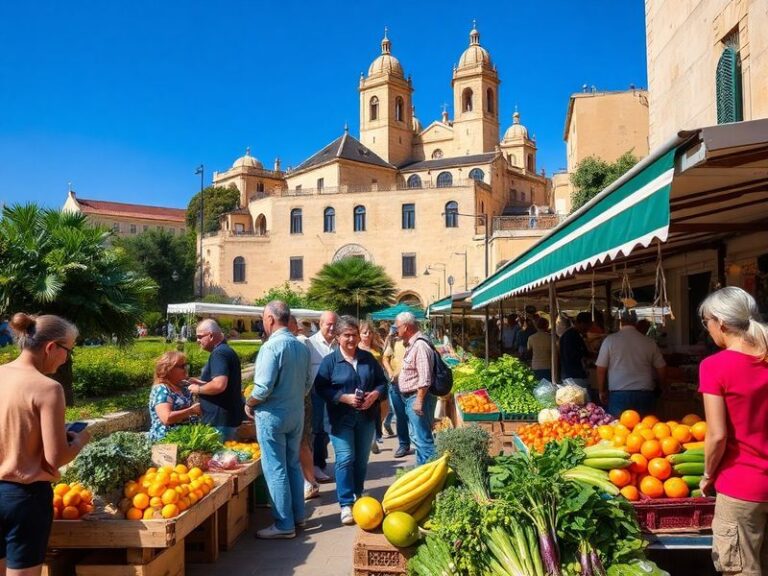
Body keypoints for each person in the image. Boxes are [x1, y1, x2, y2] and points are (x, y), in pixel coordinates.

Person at [0, 313, 90, 575]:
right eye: (67, 351)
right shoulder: (48, 388)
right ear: (51, 347)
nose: (66, 359)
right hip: (24, 498)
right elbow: (56, 457)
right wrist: (80, 440)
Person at [697, 287, 768, 576]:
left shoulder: (715, 366)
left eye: (706, 323)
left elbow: (717, 435)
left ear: (721, 323)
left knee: (742, 570)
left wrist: (707, 475)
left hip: (742, 488)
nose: (708, 330)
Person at [245, 301, 311, 539]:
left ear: (271, 319)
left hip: (272, 415)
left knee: (275, 468)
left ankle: (284, 524)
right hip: (295, 413)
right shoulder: (301, 346)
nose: (263, 322)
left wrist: (249, 403)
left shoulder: (271, 347)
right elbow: (307, 384)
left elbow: (262, 388)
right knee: (292, 465)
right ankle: (298, 516)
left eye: (263, 318)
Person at [314, 316, 387, 525]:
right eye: (347, 335)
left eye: (354, 335)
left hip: (365, 418)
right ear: (337, 337)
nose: (352, 339)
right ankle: (346, 504)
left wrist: (375, 395)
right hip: (340, 419)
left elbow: (383, 383)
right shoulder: (330, 362)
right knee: (345, 458)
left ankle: (357, 494)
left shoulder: (368, 359)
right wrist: (342, 397)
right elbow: (321, 388)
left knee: (361, 460)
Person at [596, 309, 666, 417]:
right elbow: (661, 368)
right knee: (645, 429)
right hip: (644, 393)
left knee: (618, 430)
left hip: (618, 393)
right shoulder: (649, 342)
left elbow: (601, 369)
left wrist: (601, 391)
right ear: (636, 322)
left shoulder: (610, 340)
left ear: (621, 321)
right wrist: (661, 387)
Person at [186, 319, 243, 441]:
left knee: (220, 458)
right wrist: (202, 383)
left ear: (211, 336)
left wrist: (198, 389)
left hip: (219, 421)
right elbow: (223, 383)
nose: (197, 341)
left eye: (200, 337)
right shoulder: (225, 350)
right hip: (226, 418)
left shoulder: (219, 353)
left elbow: (219, 385)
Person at [394, 311, 436, 465]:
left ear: (406, 327)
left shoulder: (420, 345)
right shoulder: (413, 344)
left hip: (417, 398)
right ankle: (423, 471)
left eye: (397, 327)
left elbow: (425, 378)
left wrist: (418, 400)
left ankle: (432, 476)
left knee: (423, 440)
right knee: (418, 439)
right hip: (411, 398)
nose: (396, 330)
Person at [287, 315, 320, 500]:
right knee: (303, 442)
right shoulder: (302, 343)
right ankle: (309, 482)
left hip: (299, 398)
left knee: (301, 443)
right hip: (303, 396)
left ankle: (309, 482)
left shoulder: (299, 342)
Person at [305, 311, 338, 483]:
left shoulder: (337, 344)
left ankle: (321, 462)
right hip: (316, 393)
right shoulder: (310, 344)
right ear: (320, 323)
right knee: (317, 429)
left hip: (333, 393)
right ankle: (316, 465)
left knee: (327, 429)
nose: (332, 327)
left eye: (334, 324)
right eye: (328, 324)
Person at [148, 351, 201, 442]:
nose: (186, 369)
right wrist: (191, 410)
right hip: (167, 442)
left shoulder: (183, 386)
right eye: (182, 366)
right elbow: (166, 418)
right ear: (168, 369)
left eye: (186, 365)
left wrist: (200, 385)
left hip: (187, 439)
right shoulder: (161, 389)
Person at [382, 327, 412, 457]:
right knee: (400, 416)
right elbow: (385, 359)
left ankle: (419, 444)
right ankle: (404, 445)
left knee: (414, 416)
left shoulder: (415, 342)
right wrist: (390, 372)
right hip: (396, 384)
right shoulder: (394, 342)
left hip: (412, 385)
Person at [359, 320, 385, 454]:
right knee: (365, 413)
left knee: (378, 412)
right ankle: (370, 440)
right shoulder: (356, 348)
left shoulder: (376, 348)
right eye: (364, 333)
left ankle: (373, 437)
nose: (367, 335)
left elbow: (381, 364)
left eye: (369, 332)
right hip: (362, 385)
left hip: (377, 384)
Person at [559, 312, 593, 392]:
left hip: (576, 375)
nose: (588, 329)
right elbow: (572, 356)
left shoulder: (576, 335)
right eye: (588, 325)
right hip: (573, 377)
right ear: (581, 323)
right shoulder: (570, 336)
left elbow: (585, 353)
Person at [527, 317, 553, 381]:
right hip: (548, 366)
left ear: (537, 326)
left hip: (536, 365)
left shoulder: (531, 338)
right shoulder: (551, 338)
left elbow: (529, 352)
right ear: (547, 326)